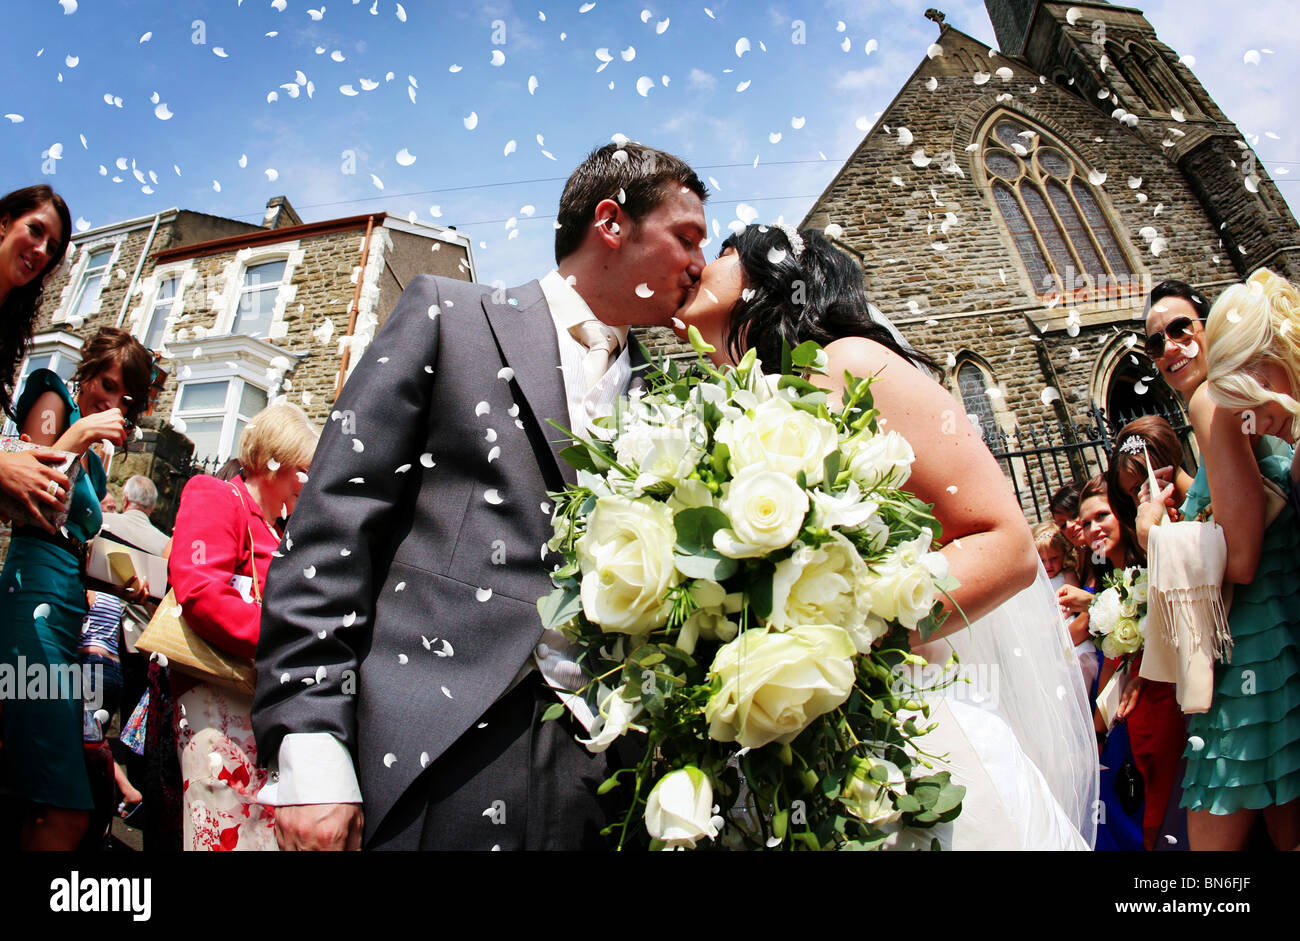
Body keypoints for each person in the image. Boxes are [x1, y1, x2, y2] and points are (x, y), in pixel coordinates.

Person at [252, 141, 708, 851]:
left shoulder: (672, 400)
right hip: (431, 750)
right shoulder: (450, 315)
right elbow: (334, 527)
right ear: (612, 222)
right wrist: (309, 738)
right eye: (687, 237)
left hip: (597, 782)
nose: (700, 263)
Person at [673, 223, 1097, 849]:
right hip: (795, 753)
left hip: (911, 734)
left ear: (776, 276)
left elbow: (1005, 546)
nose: (702, 263)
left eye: (725, 251)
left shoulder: (852, 363)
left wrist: (845, 642)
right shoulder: (726, 406)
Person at [1146, 267, 1300, 850]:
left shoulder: (1214, 402)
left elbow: (1240, 560)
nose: (1169, 348)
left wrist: (1151, 534)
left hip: (1252, 653)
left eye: (1181, 328)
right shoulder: (1234, 401)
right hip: (1279, 637)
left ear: (1210, 329)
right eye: (1155, 342)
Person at [0, 326, 151, 849]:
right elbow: (26, 491)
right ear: (86, 373)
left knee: (37, 795)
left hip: (68, 609)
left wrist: (123, 580)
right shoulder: (50, 398)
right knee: (64, 808)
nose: (111, 400)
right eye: (105, 384)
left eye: (122, 396)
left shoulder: (93, 454)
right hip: (34, 599)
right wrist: (83, 430)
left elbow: (74, 538)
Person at [166, 403, 318, 851]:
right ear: (275, 460)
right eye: (302, 470)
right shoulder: (214, 495)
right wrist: (288, 644)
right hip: (215, 695)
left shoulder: (279, 532)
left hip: (258, 702)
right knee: (223, 831)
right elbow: (200, 591)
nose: (307, 484)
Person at [1077, 475, 1185, 850]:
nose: (1093, 529)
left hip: (1163, 696)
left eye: (1101, 516)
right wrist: (1097, 728)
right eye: (1086, 522)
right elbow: (1112, 659)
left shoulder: (1150, 562)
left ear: (1121, 515)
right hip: (1126, 705)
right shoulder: (1109, 582)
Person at [0, 185, 74, 533]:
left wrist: (16, 457)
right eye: (35, 229)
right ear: (4, 222)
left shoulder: (8, 329)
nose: (41, 250)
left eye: (53, 248)